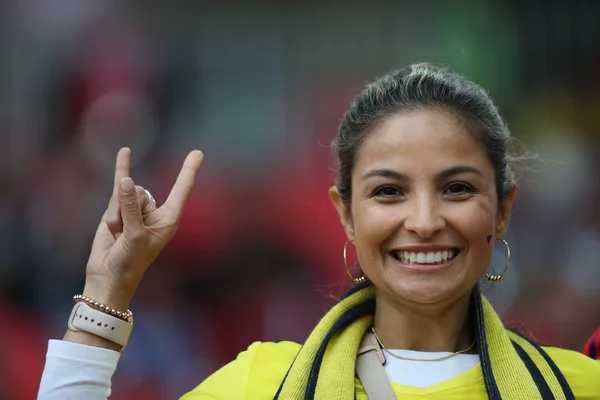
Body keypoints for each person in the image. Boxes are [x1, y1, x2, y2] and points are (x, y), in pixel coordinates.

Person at [37, 63, 600, 399]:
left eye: (457, 189)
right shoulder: (261, 383)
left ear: (502, 211)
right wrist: (107, 293)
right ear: (346, 216)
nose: (425, 222)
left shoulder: (579, 385)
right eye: (389, 191)